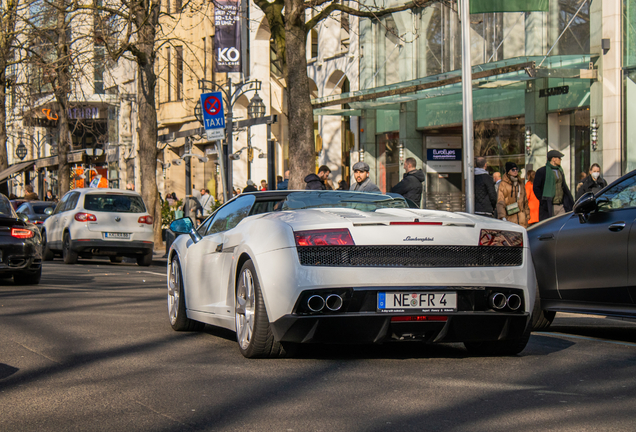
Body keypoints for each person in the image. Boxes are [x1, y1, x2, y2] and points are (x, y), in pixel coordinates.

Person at [533, 150, 574, 221]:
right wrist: (543, 200)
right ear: (553, 159)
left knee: (562, 225)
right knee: (549, 226)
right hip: (549, 206)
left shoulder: (560, 171)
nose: (560, 159)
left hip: (561, 205)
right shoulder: (542, 171)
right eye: (559, 158)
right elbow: (536, 187)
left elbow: (563, 186)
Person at [496, 162, 530, 227]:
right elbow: (500, 201)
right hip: (509, 218)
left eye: (516, 169)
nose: (515, 171)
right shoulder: (503, 184)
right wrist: (502, 216)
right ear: (508, 171)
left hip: (522, 218)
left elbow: (525, 201)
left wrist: (527, 215)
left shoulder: (520, 183)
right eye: (513, 170)